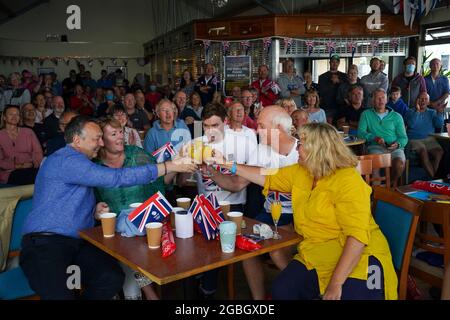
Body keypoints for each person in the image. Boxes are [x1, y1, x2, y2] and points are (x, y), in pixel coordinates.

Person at [213, 122, 398, 300]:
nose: (296, 149)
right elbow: (267, 176)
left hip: (360, 256)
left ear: (317, 149)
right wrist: (229, 165)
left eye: (301, 144)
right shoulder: (302, 171)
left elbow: (357, 238)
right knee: (282, 290)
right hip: (317, 252)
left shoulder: (349, 181)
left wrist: (335, 283)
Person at [19, 115, 196, 300]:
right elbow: (115, 178)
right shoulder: (67, 160)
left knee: (111, 277)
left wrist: (92, 210)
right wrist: (169, 165)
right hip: (46, 244)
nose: (101, 142)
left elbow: (69, 198)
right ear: (77, 140)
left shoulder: (90, 162)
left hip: (79, 243)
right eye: (97, 138)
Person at [207, 106, 298, 299]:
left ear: (279, 129)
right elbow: (237, 183)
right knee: (245, 244)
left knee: (277, 252)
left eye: (261, 126)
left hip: (300, 215)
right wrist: (212, 173)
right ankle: (259, 300)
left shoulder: (302, 151)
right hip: (271, 213)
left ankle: (300, 291)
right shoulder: (263, 149)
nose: (256, 130)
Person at [94, 117, 172, 300]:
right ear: (101, 140)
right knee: (125, 252)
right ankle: (147, 292)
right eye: (114, 134)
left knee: (131, 253)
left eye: (121, 131)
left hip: (143, 227)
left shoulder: (137, 154)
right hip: (111, 233)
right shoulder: (94, 166)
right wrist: (95, 209)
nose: (120, 137)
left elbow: (158, 186)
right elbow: (90, 199)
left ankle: (140, 292)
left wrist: (156, 215)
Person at [358, 88, 408, 186]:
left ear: (386, 100)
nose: (380, 100)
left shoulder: (397, 116)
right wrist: (374, 138)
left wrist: (398, 144)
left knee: (399, 164)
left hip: (394, 148)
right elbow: (360, 133)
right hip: (375, 147)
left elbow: (403, 137)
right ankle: (377, 192)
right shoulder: (366, 114)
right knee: (376, 166)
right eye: (378, 98)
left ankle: (389, 186)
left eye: (383, 98)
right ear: (373, 101)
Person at [0, 105, 43, 185]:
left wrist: (33, 164)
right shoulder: (1, 135)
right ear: (4, 117)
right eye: (11, 114)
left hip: (30, 168)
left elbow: (38, 153)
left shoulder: (28, 132)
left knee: (43, 175)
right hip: (10, 172)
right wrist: (18, 166)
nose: (14, 116)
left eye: (17, 114)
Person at [405, 92, 444, 178]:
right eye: (421, 99)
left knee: (439, 152)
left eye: (425, 99)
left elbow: (439, 125)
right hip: (414, 139)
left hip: (429, 139)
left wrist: (439, 113)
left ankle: (434, 177)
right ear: (417, 100)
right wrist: (417, 111)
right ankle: (435, 178)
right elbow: (411, 124)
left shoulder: (432, 112)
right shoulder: (410, 111)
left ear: (429, 102)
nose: (423, 101)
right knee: (423, 151)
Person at [318, 55, 348, 123]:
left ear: (339, 63)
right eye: (333, 62)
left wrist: (339, 82)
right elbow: (321, 92)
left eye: (336, 62)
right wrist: (331, 83)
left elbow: (347, 89)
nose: (334, 63)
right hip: (327, 106)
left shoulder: (344, 76)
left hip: (341, 107)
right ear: (329, 63)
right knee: (327, 128)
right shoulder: (322, 76)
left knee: (340, 127)